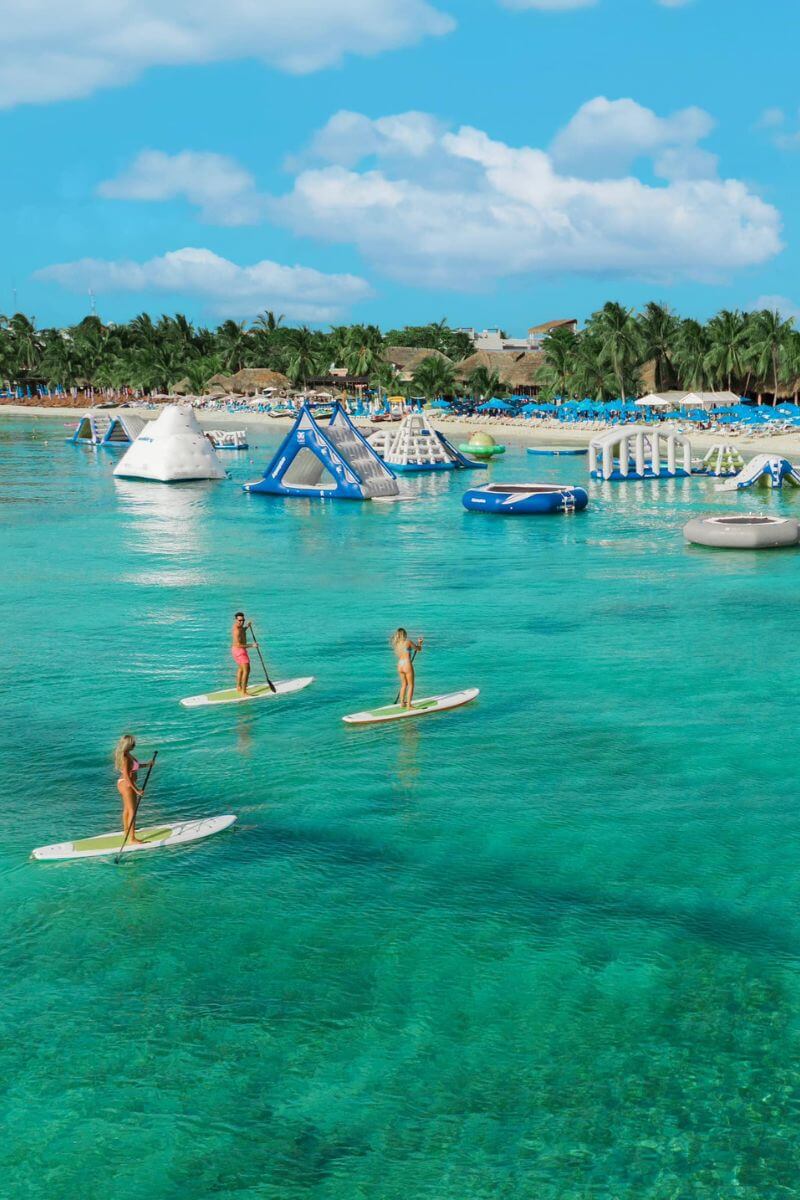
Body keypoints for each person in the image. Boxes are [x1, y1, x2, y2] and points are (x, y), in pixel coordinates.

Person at [114, 734, 154, 846]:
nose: (135, 745)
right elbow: (127, 776)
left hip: (123, 784)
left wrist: (147, 765)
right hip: (127, 784)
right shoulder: (126, 757)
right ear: (128, 744)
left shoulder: (127, 755)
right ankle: (132, 839)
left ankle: (126, 832)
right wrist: (137, 790)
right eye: (133, 743)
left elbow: (134, 767)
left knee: (127, 809)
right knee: (132, 811)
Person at [391, 627, 424, 709]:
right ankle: (409, 705)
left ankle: (402, 703)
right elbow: (418, 649)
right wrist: (420, 643)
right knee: (411, 685)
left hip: (400, 665)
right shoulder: (408, 642)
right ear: (404, 634)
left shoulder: (397, 644)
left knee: (403, 685)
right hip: (406, 664)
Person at [231, 611, 258, 695]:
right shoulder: (236, 631)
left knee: (241, 669)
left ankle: (238, 687)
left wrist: (247, 626)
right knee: (247, 670)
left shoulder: (239, 627)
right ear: (235, 620)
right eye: (239, 620)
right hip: (240, 650)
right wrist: (252, 645)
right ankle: (244, 692)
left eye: (243, 620)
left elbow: (243, 630)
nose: (242, 622)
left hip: (235, 650)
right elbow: (238, 644)